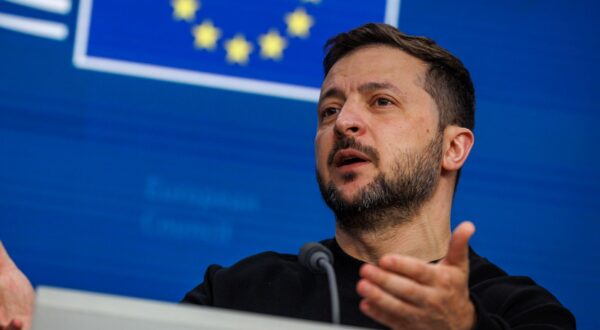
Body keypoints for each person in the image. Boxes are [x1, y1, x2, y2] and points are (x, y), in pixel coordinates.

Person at [0, 23, 575, 330]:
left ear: (454, 147)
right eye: (329, 111)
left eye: (380, 102)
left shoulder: (521, 312)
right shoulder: (239, 293)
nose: (344, 122)